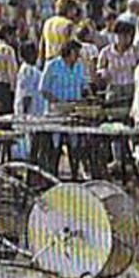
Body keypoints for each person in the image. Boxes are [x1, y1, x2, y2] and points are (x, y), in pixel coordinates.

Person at [38, 39, 90, 177]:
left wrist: (87, 95)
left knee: (75, 144)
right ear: (68, 52)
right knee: (56, 144)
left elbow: (84, 86)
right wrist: (56, 101)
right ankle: (53, 175)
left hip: (74, 111)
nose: (78, 56)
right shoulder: (52, 65)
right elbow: (43, 89)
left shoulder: (79, 67)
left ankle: (74, 175)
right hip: (56, 113)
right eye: (76, 53)